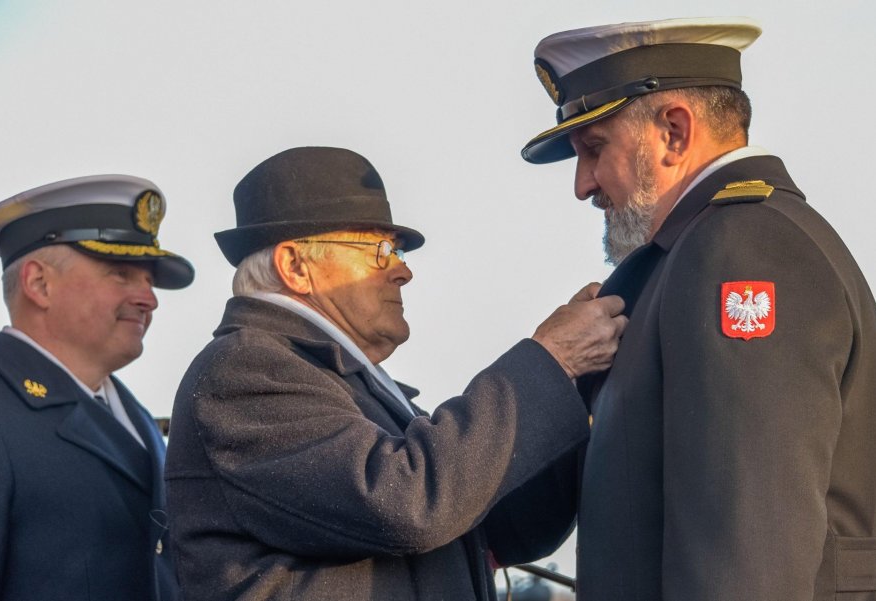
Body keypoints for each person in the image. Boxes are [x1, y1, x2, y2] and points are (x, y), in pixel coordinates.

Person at [164, 146, 628, 601]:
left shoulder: (337, 382)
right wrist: (551, 361)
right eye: (380, 249)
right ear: (295, 266)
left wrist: (573, 386)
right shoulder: (246, 369)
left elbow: (509, 531)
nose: (403, 271)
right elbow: (403, 503)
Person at [521, 16, 876, 601]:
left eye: (593, 148)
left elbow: (749, 553)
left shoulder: (742, 248)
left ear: (674, 132)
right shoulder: (679, 261)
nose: (583, 185)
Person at [0, 175, 195, 601]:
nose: (148, 298)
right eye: (120, 273)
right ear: (39, 284)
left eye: (149, 280)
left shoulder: (133, 418)